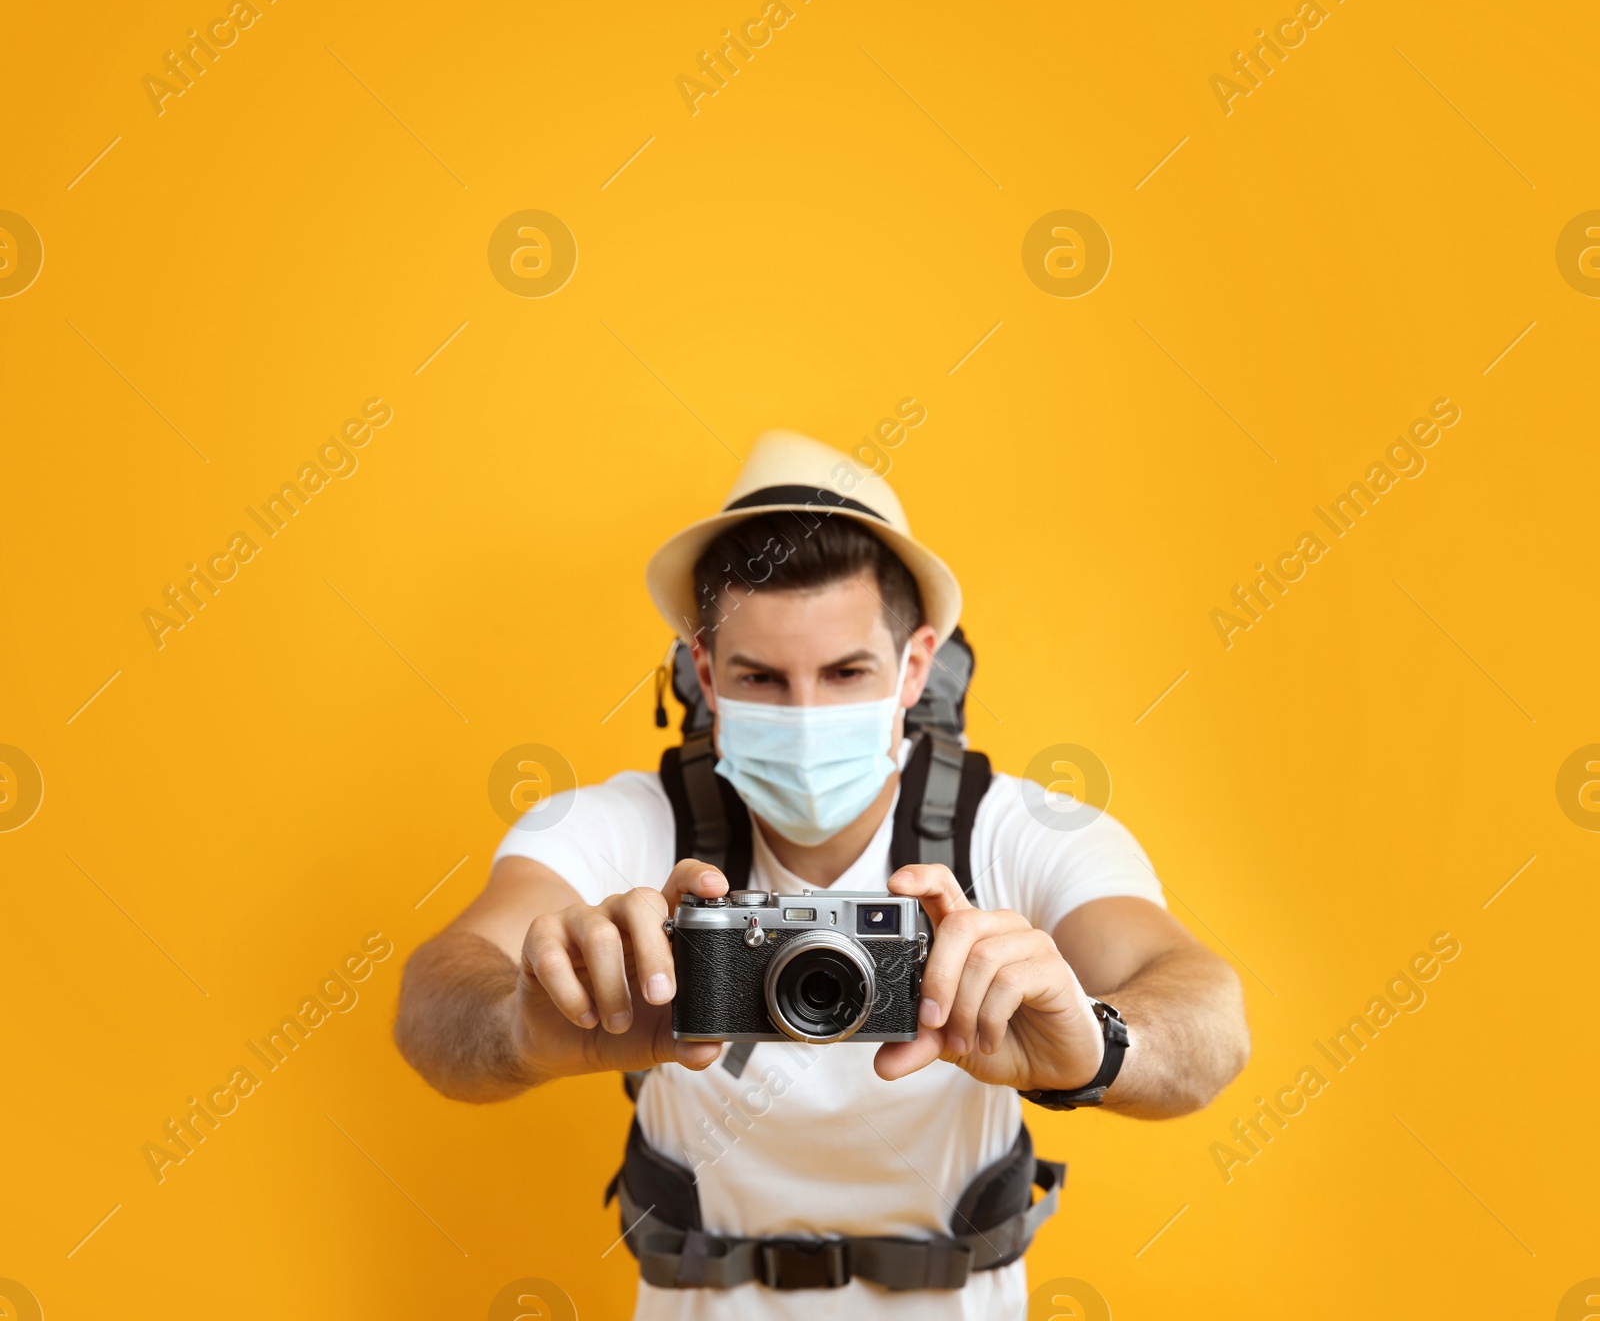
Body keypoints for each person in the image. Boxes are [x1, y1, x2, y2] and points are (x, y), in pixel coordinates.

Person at [394, 430, 1250, 1317]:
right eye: (760, 677)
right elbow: (434, 1002)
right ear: (704, 675)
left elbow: (1210, 1017)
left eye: (847, 672)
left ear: (915, 665)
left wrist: (1100, 1044)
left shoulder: (1024, 830)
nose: (806, 716)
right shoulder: (618, 827)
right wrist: (523, 1025)